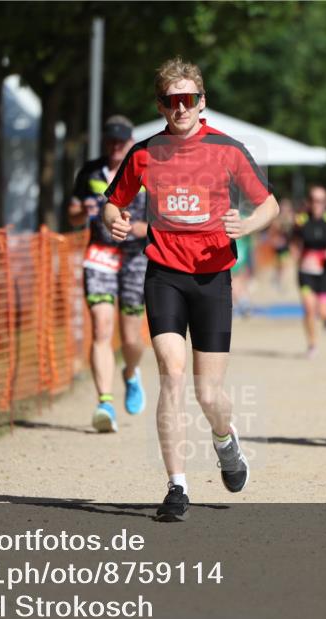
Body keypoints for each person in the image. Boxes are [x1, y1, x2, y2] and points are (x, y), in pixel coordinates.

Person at [103, 57, 279, 521]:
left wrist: (246, 224)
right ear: (160, 106)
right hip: (164, 273)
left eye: (189, 99)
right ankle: (177, 486)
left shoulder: (228, 149)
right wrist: (114, 220)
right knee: (171, 373)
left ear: (203, 102)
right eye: (171, 100)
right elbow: (112, 202)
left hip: (212, 277)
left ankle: (225, 438)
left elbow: (270, 205)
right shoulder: (144, 153)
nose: (180, 108)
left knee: (208, 393)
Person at [69, 116, 149, 433]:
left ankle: (130, 372)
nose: (116, 146)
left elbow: (163, 219)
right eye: (111, 141)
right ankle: (104, 402)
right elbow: (73, 214)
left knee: (130, 337)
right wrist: (84, 211)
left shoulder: (146, 170)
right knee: (101, 327)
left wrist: (138, 228)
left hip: (136, 256)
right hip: (100, 253)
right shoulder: (90, 171)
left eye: (121, 141)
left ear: (131, 141)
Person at [293, 185, 326, 356]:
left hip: (325, 270)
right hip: (306, 270)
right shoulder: (301, 220)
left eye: (321, 201)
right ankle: (312, 345)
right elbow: (294, 242)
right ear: (308, 202)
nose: (317, 204)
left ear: (325, 203)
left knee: (322, 311)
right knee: (309, 308)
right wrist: (297, 255)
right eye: (314, 200)